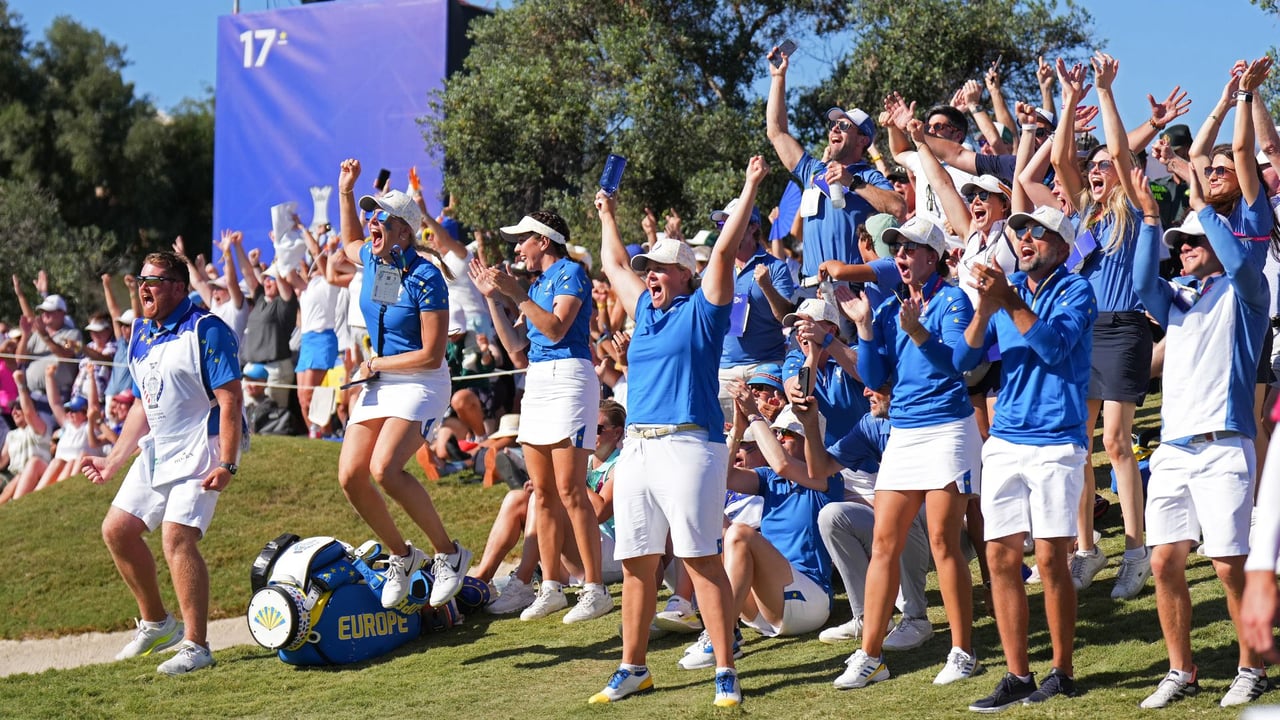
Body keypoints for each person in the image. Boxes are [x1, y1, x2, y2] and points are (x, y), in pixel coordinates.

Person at [588, 156, 769, 707]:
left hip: (691, 443)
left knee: (699, 558)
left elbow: (723, 252)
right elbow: (612, 261)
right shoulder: (644, 311)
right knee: (637, 562)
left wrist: (749, 186)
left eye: (661, 268)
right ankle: (633, 668)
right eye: (648, 269)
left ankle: (725, 669)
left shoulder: (704, 310)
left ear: (686, 274)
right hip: (638, 448)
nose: (650, 275)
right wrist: (607, 214)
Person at [1131, 168, 1270, 709]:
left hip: (1224, 445)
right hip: (1172, 449)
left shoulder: (1248, 292)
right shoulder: (1178, 299)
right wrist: (1151, 221)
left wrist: (1203, 210)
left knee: (1228, 567)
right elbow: (1142, 282)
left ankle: (1251, 667)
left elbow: (1239, 260)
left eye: (1193, 241)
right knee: (1164, 563)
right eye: (1181, 243)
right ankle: (1180, 670)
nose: (1184, 248)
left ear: (1216, 240)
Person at [958, 205, 1097, 710]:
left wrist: (1009, 299)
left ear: (1062, 247)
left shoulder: (1077, 289)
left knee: (1051, 559)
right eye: (1020, 232)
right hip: (1006, 440)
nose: (1026, 239)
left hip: (1057, 440)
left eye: (1039, 233)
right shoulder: (1008, 289)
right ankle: (1017, 675)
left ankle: (1062, 671)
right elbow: (964, 360)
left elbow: (1054, 347)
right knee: (999, 557)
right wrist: (984, 308)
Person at [80, 251, 244, 675]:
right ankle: (157, 624)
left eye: (152, 281)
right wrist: (113, 460)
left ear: (178, 287)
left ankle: (197, 645)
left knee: (177, 537)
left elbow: (230, 400)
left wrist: (227, 462)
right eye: (140, 281)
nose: (143, 288)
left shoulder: (207, 329)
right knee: (117, 530)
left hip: (204, 444)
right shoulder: (139, 332)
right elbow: (142, 403)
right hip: (161, 446)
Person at [838, 215, 981, 689]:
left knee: (943, 541)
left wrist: (918, 331)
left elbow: (959, 363)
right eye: (896, 248)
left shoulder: (953, 299)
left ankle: (963, 651)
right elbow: (874, 377)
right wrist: (863, 327)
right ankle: (870, 655)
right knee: (884, 543)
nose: (900, 255)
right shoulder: (887, 309)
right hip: (905, 432)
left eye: (910, 248)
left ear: (933, 257)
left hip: (948, 429)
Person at [333, 158, 470, 610]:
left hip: (423, 381)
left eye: (383, 219)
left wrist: (378, 362)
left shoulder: (427, 276)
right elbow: (348, 242)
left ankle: (449, 554)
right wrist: (346, 191)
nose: (373, 223)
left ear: (405, 233)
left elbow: (431, 355)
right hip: (384, 376)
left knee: (385, 469)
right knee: (350, 475)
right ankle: (403, 556)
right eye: (372, 216)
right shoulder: (375, 258)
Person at [470, 208, 611, 624]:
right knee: (543, 494)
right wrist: (492, 298)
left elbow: (555, 328)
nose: (518, 249)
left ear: (544, 241)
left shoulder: (572, 273)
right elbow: (517, 349)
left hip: (570, 377)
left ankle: (595, 588)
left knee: (570, 490)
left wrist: (515, 293)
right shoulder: (534, 285)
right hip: (538, 379)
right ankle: (551, 586)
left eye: (523, 241)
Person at [1052, 55, 1152, 598]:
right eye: (1092, 166)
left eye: (1104, 166)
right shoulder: (1084, 213)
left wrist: (1106, 91)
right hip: (1084, 333)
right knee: (1075, 444)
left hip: (1124, 327)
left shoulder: (1134, 206)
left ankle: (1136, 552)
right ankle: (1088, 549)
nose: (1096, 169)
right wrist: (1070, 100)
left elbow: (1118, 151)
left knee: (1115, 441)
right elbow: (1060, 157)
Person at [674, 400, 840, 670]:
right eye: (776, 433)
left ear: (809, 441)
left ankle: (721, 634)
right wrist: (738, 431)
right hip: (766, 606)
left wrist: (753, 413)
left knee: (740, 532)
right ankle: (724, 630)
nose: (778, 438)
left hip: (810, 603)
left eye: (786, 433)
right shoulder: (769, 478)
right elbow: (721, 477)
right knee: (710, 515)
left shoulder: (829, 477)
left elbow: (783, 465)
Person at [765, 45, 904, 283]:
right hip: (812, 288)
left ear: (863, 140)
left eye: (845, 125)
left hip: (851, 289)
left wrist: (852, 183)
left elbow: (898, 208)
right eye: (833, 125)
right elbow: (776, 132)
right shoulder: (814, 169)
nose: (835, 129)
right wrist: (778, 78)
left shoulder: (868, 177)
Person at [714, 197, 797, 418]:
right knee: (729, 436)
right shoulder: (716, 268)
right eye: (722, 224)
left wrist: (766, 286)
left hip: (765, 366)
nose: (726, 229)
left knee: (764, 435)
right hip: (724, 371)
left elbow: (786, 317)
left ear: (753, 227)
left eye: (734, 222)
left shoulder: (775, 267)